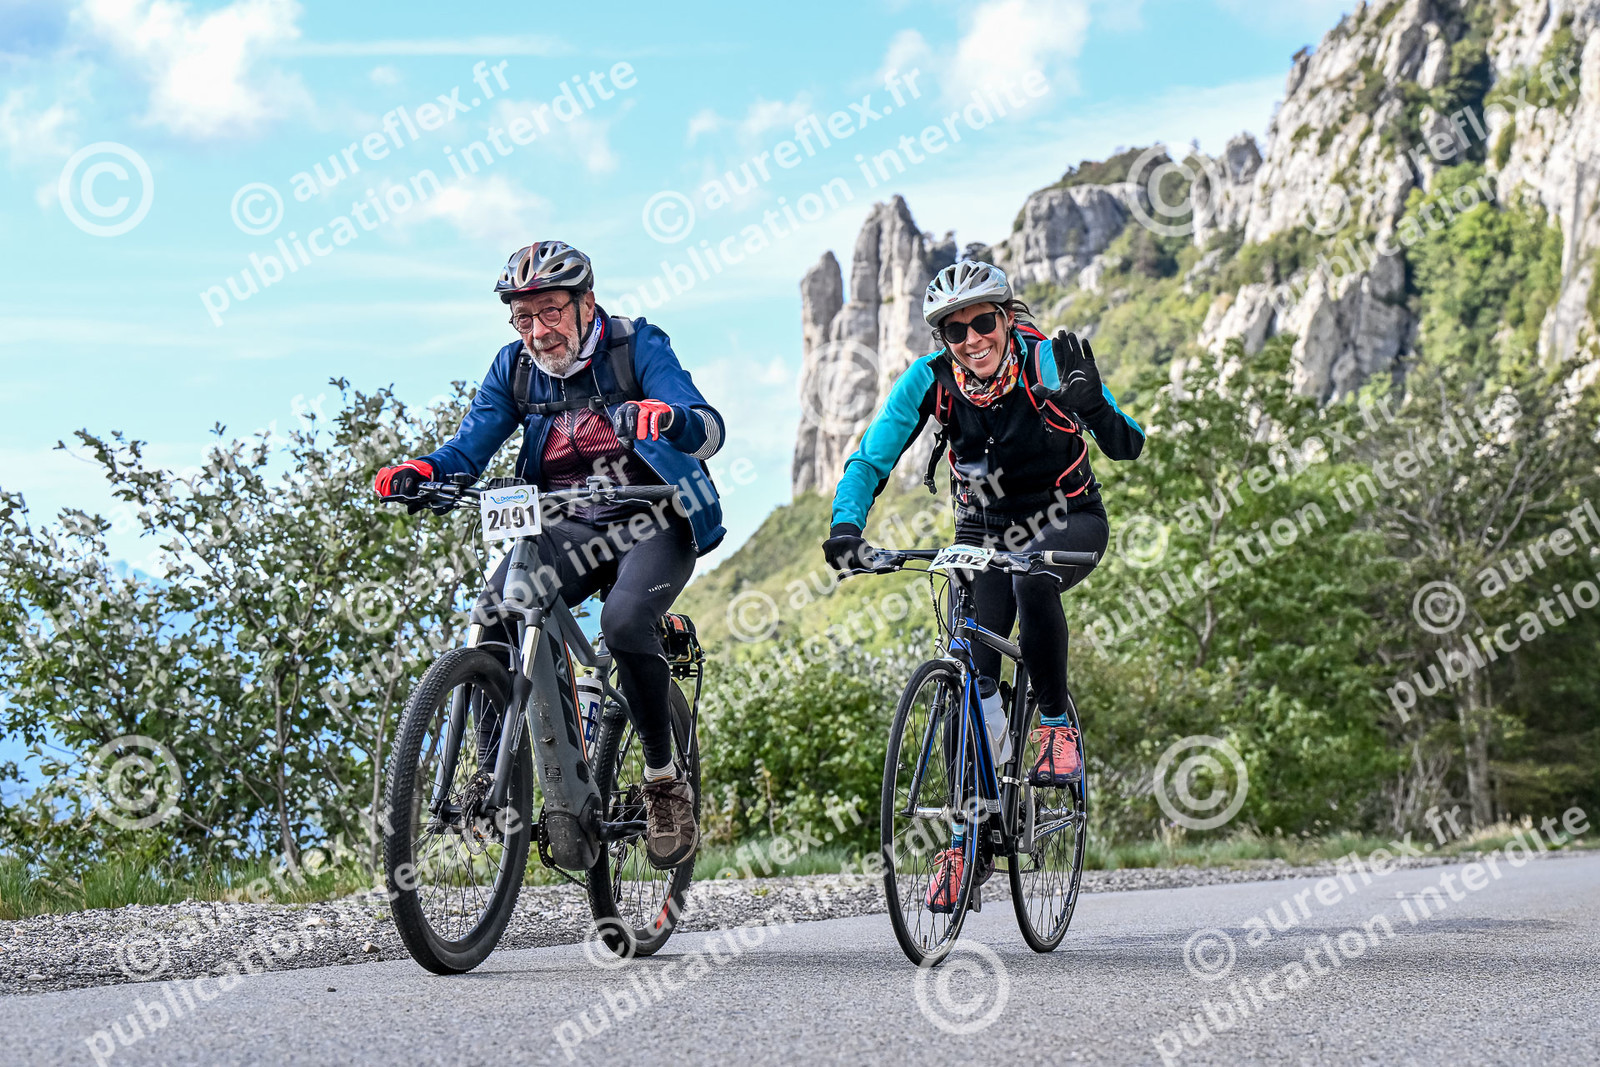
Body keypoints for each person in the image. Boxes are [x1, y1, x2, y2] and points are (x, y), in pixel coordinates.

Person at [374, 240, 725, 869]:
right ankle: (494, 779)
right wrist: (423, 472)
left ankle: (663, 781)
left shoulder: (636, 346)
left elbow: (707, 427)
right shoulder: (513, 368)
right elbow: (467, 450)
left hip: (655, 518)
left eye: (551, 312)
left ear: (587, 303)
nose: (538, 332)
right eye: (523, 318)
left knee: (624, 623)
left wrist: (669, 419)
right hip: (568, 524)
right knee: (496, 613)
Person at [821, 259, 1143, 910]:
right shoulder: (929, 380)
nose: (972, 340)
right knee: (967, 670)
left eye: (984, 323)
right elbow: (870, 457)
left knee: (1033, 581)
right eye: (955, 330)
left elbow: (1128, 444)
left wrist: (1091, 406)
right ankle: (968, 837)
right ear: (942, 338)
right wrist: (847, 526)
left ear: (1005, 317)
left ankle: (1054, 724)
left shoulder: (1049, 361)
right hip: (983, 527)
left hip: (1068, 516)